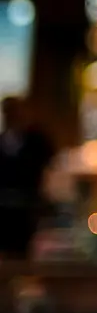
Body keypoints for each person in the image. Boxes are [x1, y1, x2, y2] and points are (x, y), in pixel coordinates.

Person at [0, 96, 55, 258]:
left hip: (30, 207)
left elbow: (50, 169)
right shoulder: (2, 141)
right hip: (3, 208)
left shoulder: (37, 140)